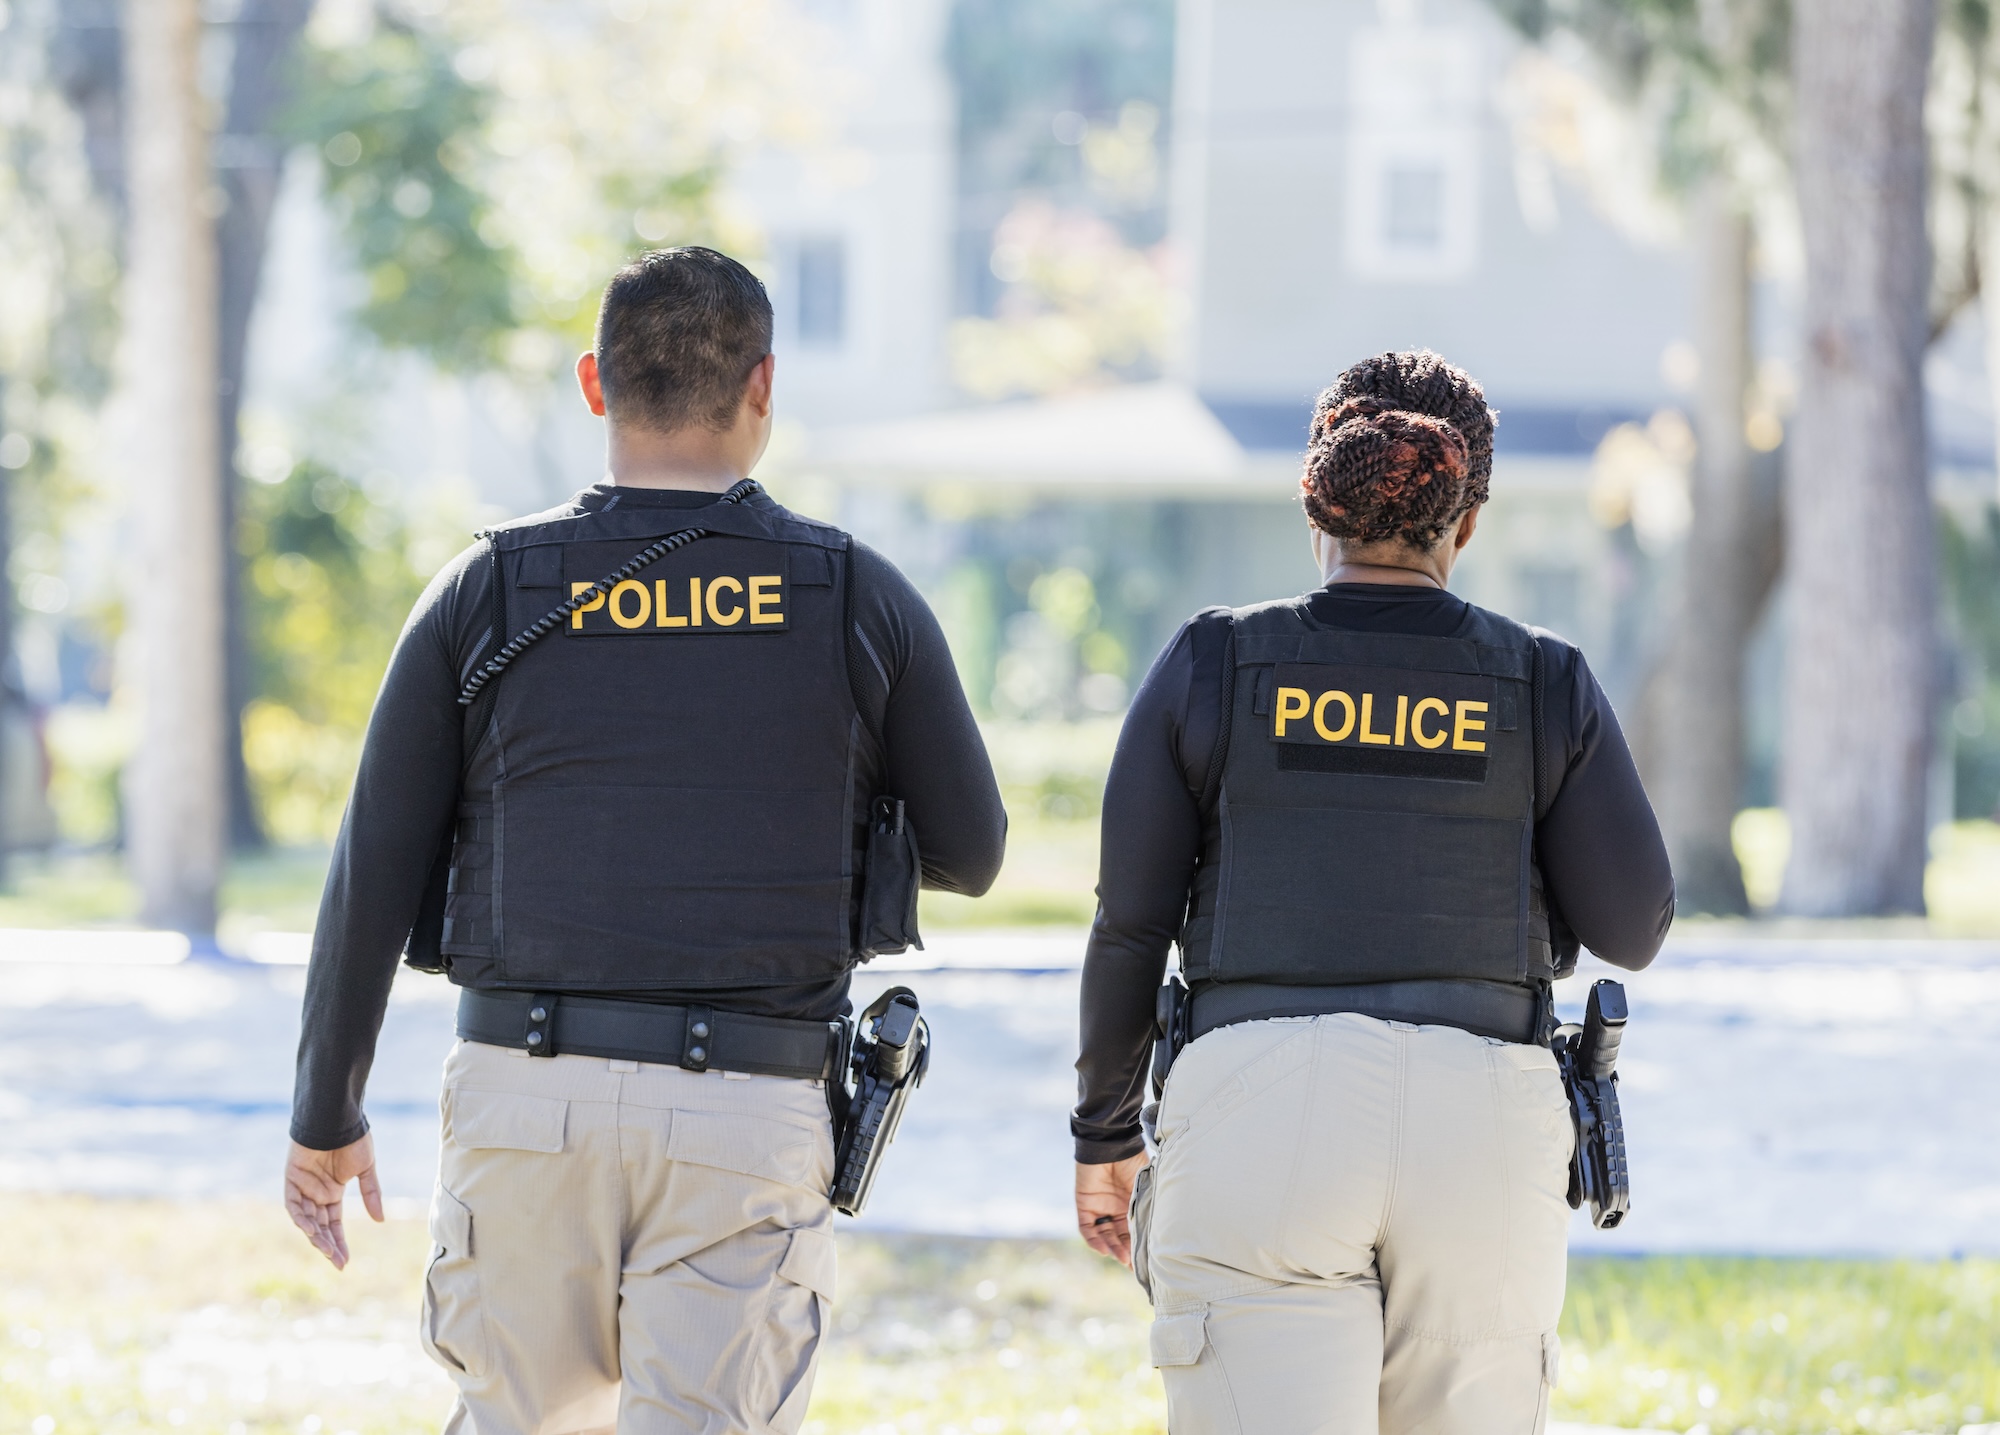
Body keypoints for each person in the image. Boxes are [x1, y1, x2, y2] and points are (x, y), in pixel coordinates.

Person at [283, 246, 1007, 1434]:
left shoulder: (486, 586)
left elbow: (374, 867)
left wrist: (326, 1113)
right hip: (747, 1111)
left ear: (593, 385)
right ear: (764, 386)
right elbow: (971, 850)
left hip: (525, 1099)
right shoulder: (854, 594)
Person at [1071, 350, 1674, 1433]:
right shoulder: (1541, 680)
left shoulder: (1215, 662)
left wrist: (1102, 1133)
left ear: (1318, 504)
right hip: (1482, 1122)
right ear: (1467, 517)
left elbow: (1128, 926)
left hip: (1256, 1109)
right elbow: (1633, 927)